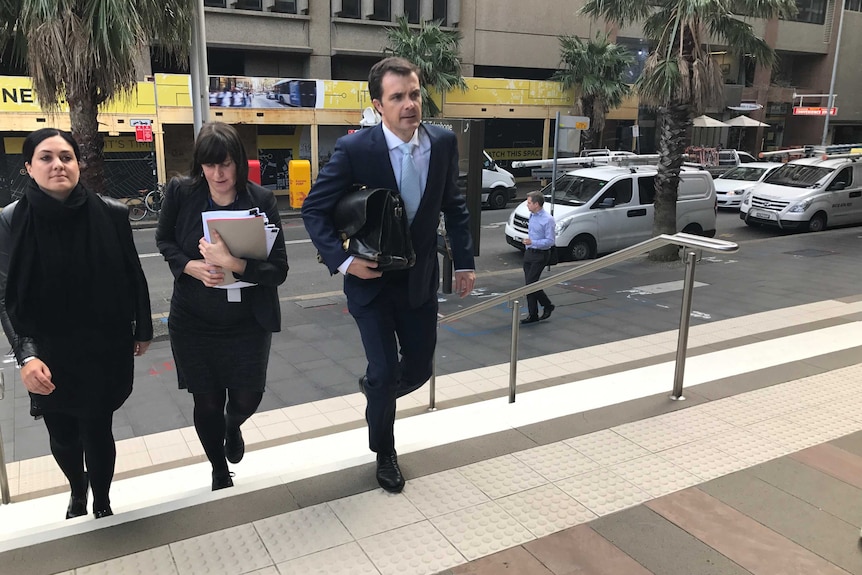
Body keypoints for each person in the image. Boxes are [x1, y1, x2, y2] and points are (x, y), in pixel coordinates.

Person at [302, 57, 476, 493]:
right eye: (397, 97)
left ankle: (376, 393)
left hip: (419, 282)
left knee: (418, 370)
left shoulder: (443, 142)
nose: (409, 105)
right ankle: (385, 451)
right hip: (371, 283)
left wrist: (466, 261)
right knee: (383, 371)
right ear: (378, 105)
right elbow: (314, 209)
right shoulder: (356, 150)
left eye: (414, 94)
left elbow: (454, 206)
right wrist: (342, 261)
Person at [0, 128, 153, 519]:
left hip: (102, 343)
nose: (58, 165)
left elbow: (132, 273)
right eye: (46, 158)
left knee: (98, 428)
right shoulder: (11, 221)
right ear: (28, 168)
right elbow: (6, 296)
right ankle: (77, 487)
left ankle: (101, 499)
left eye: (66, 157)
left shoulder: (111, 213)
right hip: (48, 348)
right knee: (63, 435)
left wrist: (142, 328)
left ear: (78, 164)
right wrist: (26, 356)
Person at [156, 122, 288, 490]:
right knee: (207, 401)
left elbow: (278, 271)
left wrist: (234, 264)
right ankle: (218, 469)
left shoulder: (260, 200)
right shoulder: (182, 193)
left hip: (248, 321)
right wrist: (189, 266)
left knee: (247, 397)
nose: (218, 174)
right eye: (210, 165)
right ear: (200, 165)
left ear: (239, 163)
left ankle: (234, 427)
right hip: (195, 321)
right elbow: (164, 239)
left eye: (226, 164)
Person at [520, 190, 555, 324]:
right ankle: (533, 313)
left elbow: (550, 241)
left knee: (530, 284)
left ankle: (546, 305)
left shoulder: (548, 220)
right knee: (530, 284)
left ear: (536, 204)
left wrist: (533, 242)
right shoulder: (532, 216)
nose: (527, 205)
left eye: (529, 203)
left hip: (541, 254)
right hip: (529, 253)